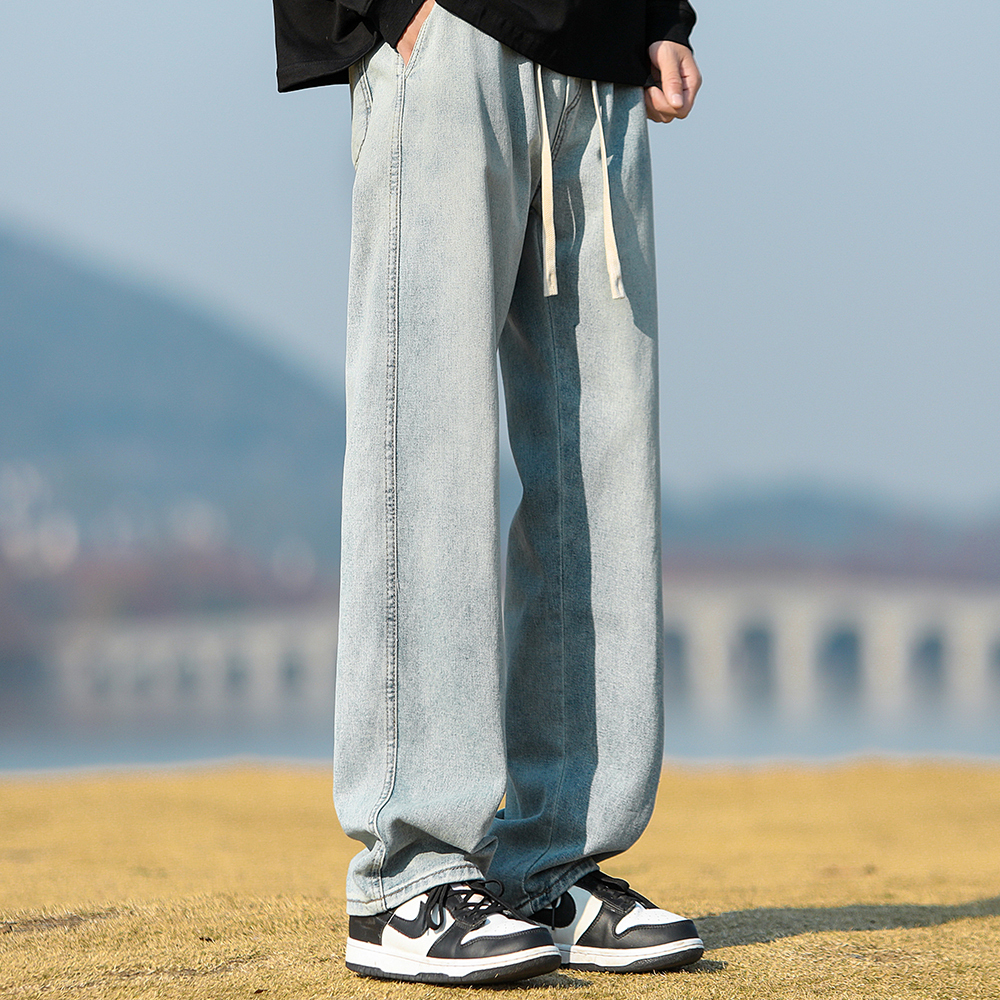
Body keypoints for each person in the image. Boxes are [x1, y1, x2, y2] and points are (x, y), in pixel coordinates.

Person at [272, 0, 703, 985]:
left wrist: (661, 14)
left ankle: (552, 863)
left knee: (602, 467)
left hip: (602, 54)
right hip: (449, 30)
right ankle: (406, 872)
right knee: (426, 445)